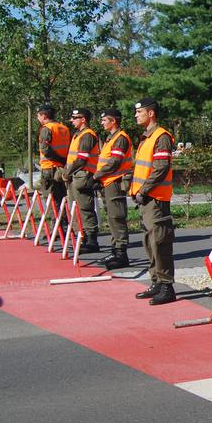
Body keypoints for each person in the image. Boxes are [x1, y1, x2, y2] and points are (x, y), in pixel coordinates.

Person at [129, 98, 176, 306]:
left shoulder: (161, 137)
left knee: (160, 242)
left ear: (151, 114)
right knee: (149, 242)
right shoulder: (146, 138)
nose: (136, 115)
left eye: (139, 112)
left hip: (155, 198)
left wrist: (144, 190)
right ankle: (156, 280)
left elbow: (160, 168)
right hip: (146, 198)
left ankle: (167, 286)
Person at [94, 108, 134, 270]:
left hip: (116, 182)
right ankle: (115, 250)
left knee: (117, 217)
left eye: (105, 120)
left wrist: (96, 176)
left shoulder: (120, 138)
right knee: (111, 217)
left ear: (114, 121)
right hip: (108, 182)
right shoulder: (111, 138)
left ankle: (121, 253)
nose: (102, 123)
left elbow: (114, 162)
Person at [63, 108, 101, 253]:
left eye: (75, 117)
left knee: (85, 208)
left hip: (83, 176)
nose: (72, 120)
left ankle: (92, 240)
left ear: (83, 119)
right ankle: (83, 237)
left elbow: (81, 159)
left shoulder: (87, 135)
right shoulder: (78, 135)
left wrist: (67, 172)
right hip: (76, 176)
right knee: (77, 208)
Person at [36, 104, 70, 211]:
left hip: (49, 168)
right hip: (61, 168)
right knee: (61, 198)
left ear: (44, 116)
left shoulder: (46, 129)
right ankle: (64, 224)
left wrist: (59, 159)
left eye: (38, 116)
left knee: (51, 199)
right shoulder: (64, 128)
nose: (37, 118)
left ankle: (57, 225)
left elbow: (45, 149)